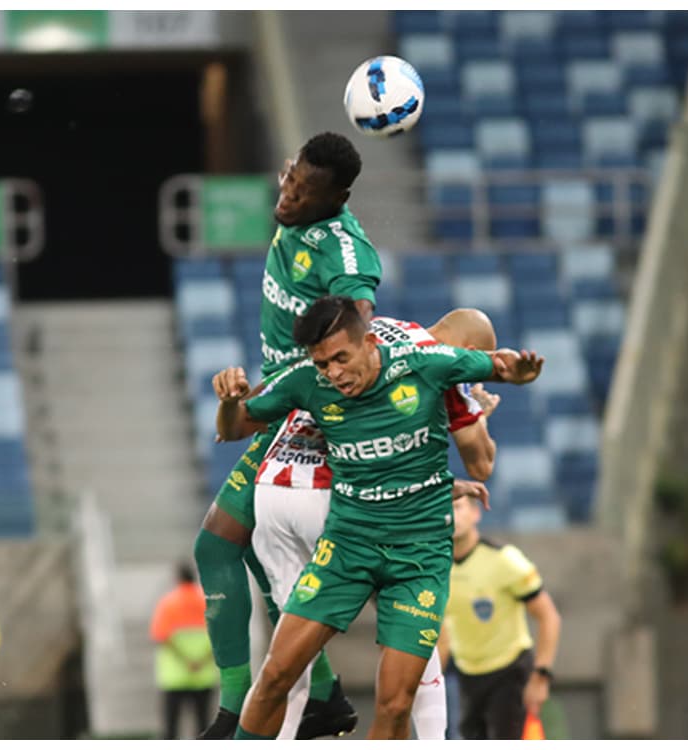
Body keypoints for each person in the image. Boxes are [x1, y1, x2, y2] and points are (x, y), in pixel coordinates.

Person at [213, 294, 544, 740]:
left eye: (341, 359)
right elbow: (233, 428)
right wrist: (230, 402)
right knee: (276, 675)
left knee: (393, 705)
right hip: (346, 546)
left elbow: (499, 365)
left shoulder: (426, 363)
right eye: (323, 363)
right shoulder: (308, 380)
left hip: (418, 557)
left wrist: (517, 376)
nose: (333, 373)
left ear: (370, 342)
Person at [193, 132, 378, 739]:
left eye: (304, 193)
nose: (289, 198)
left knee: (220, 543)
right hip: (279, 405)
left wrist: (333, 403)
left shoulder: (345, 256)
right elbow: (296, 175)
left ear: (338, 198)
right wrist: (295, 171)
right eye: (290, 181)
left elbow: (361, 334)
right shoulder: (298, 190)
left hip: (304, 416)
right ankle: (321, 694)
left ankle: (236, 706)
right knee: (243, 548)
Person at [437, 489, 562, 740]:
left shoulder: (504, 560)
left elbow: (548, 616)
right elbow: (442, 632)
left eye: (458, 507)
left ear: (475, 513)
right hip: (467, 676)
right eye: (443, 509)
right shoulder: (436, 568)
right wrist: (431, 683)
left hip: (510, 672)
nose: (450, 515)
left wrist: (541, 676)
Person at [149, 561, 219, 739]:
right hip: (203, 674)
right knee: (203, 725)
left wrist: (186, 661)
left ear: (177, 578)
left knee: (171, 727)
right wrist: (200, 660)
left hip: (175, 676)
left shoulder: (168, 603)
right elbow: (219, 636)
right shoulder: (207, 601)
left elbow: (161, 636)